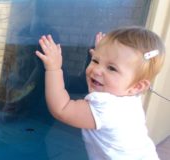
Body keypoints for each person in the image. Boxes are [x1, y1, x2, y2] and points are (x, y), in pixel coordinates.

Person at [35, 26, 165, 159]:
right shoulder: (130, 97)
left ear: (137, 86)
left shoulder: (106, 108)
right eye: (96, 61)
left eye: (112, 68)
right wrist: (105, 54)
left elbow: (62, 109)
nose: (96, 70)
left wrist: (54, 68)